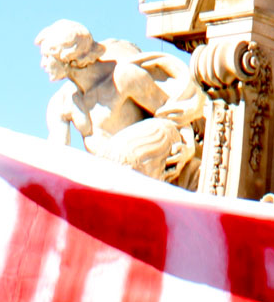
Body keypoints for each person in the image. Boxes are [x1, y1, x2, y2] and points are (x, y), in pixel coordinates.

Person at [34, 19, 203, 185]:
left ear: (68, 57)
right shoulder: (62, 103)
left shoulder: (122, 77)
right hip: (106, 184)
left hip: (147, 173)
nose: (43, 64)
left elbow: (173, 115)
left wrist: (187, 149)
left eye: (47, 57)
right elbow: (56, 158)